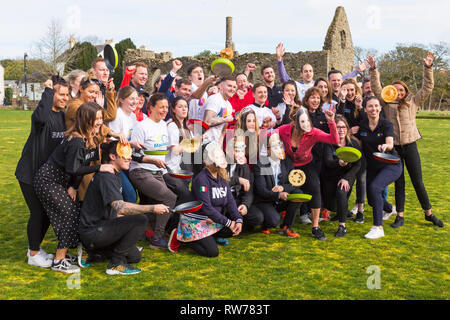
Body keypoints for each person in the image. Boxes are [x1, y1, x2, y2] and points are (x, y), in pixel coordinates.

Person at [33, 102, 116, 273]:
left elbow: (80, 164)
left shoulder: (88, 137)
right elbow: (74, 168)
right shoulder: (77, 140)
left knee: (73, 212)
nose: (100, 122)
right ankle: (59, 260)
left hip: (59, 180)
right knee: (69, 214)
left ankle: (63, 254)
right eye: (97, 119)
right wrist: (99, 167)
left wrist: (74, 186)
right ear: (86, 119)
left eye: (101, 118)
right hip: (48, 180)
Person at [368, 53, 444, 228]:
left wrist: (428, 68)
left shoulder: (413, 101)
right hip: (394, 148)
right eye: (394, 90)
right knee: (399, 183)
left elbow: (428, 87)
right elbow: (376, 88)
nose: (398, 92)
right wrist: (374, 70)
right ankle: (400, 216)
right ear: (390, 92)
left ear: (405, 90)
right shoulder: (385, 103)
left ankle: (428, 213)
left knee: (418, 181)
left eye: (401, 90)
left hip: (410, 146)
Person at [79, 140, 169, 275]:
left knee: (134, 257)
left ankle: (94, 251)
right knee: (140, 220)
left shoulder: (116, 173)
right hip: (93, 230)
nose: (130, 157)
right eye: (124, 154)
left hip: (103, 226)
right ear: (112, 157)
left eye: (130, 153)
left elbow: (117, 212)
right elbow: (120, 208)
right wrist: (152, 208)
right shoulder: (106, 177)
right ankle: (116, 264)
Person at [16, 76, 69, 268]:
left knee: (47, 212)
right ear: (51, 94)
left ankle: (35, 248)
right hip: (29, 173)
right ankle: (33, 253)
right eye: (60, 94)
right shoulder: (42, 116)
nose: (65, 98)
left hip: (46, 177)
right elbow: (39, 117)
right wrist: (47, 90)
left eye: (66, 94)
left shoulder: (62, 117)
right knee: (37, 212)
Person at [276, 106, 338, 240]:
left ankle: (315, 227)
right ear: (294, 122)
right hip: (289, 165)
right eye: (301, 122)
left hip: (306, 165)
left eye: (307, 121)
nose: (305, 125)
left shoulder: (313, 132)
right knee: (293, 192)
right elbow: (267, 136)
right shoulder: (285, 129)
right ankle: (284, 224)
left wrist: (331, 122)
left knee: (315, 188)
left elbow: (334, 140)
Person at [173, 142, 242, 257]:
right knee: (212, 252)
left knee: (233, 228)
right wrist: (228, 222)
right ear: (206, 162)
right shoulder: (202, 179)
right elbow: (206, 208)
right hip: (196, 221)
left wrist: (238, 219)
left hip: (212, 220)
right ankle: (181, 237)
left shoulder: (222, 177)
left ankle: (209, 236)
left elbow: (230, 201)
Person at [128, 93, 177, 249]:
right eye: (161, 107)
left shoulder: (164, 125)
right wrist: (153, 160)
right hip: (140, 171)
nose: (164, 110)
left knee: (162, 201)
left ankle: (148, 229)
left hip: (157, 172)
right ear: (151, 108)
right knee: (169, 198)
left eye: (166, 107)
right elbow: (133, 156)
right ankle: (157, 238)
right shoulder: (142, 127)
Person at [65, 77, 123, 201]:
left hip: (91, 151)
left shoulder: (90, 106)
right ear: (81, 89)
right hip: (79, 153)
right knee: (85, 195)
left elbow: (109, 115)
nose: (94, 95)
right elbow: (92, 121)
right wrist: (112, 133)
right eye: (91, 92)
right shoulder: (76, 106)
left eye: (96, 93)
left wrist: (109, 92)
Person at [354, 96, 403, 239]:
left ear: (380, 108)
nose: (373, 109)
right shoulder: (362, 125)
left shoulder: (386, 124)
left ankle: (378, 227)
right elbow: (359, 142)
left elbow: (390, 143)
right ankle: (389, 209)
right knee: (371, 200)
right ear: (365, 109)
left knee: (375, 188)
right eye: (370, 106)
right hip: (373, 167)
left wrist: (385, 146)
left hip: (391, 165)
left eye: (376, 106)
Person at [253, 133, 303, 237]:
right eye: (275, 147)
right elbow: (262, 190)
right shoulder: (263, 163)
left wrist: (283, 188)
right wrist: (278, 194)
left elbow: (294, 184)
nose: (279, 149)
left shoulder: (286, 162)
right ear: (268, 150)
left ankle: (286, 227)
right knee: (273, 221)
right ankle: (265, 223)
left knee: (298, 194)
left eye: (280, 146)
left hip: (280, 199)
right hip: (265, 200)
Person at [322, 116, 362, 237]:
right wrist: (338, 162)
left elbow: (358, 164)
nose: (341, 130)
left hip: (346, 175)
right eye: (338, 127)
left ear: (347, 128)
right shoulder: (329, 143)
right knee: (331, 205)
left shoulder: (353, 143)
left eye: (343, 127)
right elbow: (328, 162)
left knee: (341, 191)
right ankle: (341, 212)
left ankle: (342, 226)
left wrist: (347, 178)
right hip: (330, 175)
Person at [106, 86, 145, 203]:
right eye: (131, 98)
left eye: (136, 98)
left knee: (137, 192)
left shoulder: (133, 116)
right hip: (115, 162)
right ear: (121, 100)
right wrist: (131, 144)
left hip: (128, 160)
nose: (135, 102)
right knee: (130, 196)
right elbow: (111, 142)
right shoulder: (117, 116)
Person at [226, 136, 264, 232]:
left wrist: (245, 204)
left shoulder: (244, 166)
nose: (240, 155)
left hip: (236, 198)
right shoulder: (220, 162)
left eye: (242, 151)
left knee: (258, 217)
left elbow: (248, 191)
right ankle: (230, 224)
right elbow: (219, 183)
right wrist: (237, 180)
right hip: (223, 198)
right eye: (237, 151)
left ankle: (237, 224)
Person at [203, 77, 236, 145]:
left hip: (215, 145)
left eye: (234, 87)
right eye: (229, 86)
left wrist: (219, 147)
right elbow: (207, 121)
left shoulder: (229, 105)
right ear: (221, 86)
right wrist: (225, 119)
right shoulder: (215, 99)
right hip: (204, 142)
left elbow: (223, 132)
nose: (232, 89)